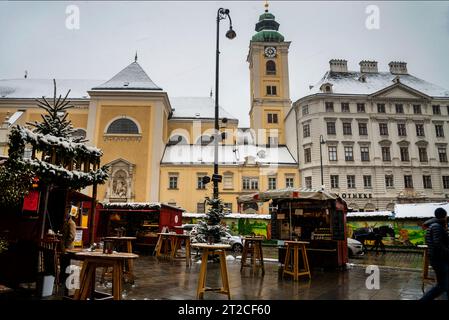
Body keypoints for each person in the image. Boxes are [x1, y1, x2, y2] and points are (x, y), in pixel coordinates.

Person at [420, 207, 449, 300]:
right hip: (439, 259)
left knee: (446, 284)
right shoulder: (436, 226)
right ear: (444, 216)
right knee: (441, 286)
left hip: (438, 259)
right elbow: (438, 243)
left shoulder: (433, 225)